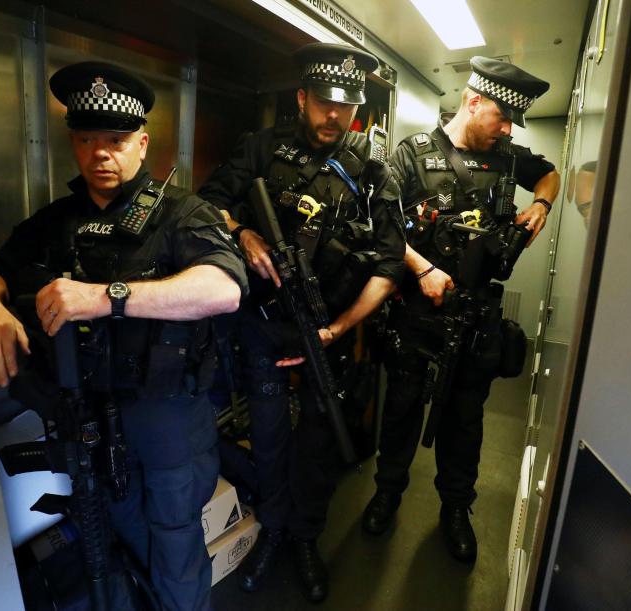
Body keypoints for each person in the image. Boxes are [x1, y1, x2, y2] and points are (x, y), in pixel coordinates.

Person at [0, 62, 248, 611]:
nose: (101, 153)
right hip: (90, 416)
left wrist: (103, 295)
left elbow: (223, 288)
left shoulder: (181, 214)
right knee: (117, 539)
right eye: (87, 139)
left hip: (167, 420)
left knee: (174, 546)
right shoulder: (56, 221)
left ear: (142, 144)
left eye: (116, 140)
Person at [198, 43, 405, 602]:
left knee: (317, 441)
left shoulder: (374, 168)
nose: (335, 116)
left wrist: (339, 329)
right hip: (263, 324)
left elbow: (389, 266)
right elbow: (204, 204)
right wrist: (241, 232)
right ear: (302, 98)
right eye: (324, 103)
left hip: (326, 331)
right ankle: (272, 527)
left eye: (347, 105)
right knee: (266, 434)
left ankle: (306, 536)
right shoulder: (260, 149)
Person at [360, 56, 561, 564]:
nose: (508, 129)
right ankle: (387, 493)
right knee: (402, 410)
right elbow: (383, 225)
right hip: (417, 315)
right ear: (474, 103)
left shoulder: (509, 158)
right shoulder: (412, 155)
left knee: (465, 422)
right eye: (503, 117)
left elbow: (552, 176)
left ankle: (455, 508)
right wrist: (423, 268)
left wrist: (540, 205)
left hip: (475, 321)